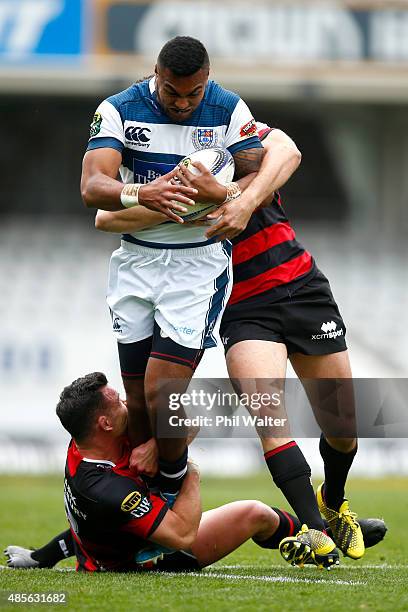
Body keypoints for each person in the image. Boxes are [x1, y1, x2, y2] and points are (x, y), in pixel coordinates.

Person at [93, 123, 365, 568]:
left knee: (343, 428)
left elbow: (287, 149)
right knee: (268, 414)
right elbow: (105, 218)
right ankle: (316, 528)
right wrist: (179, 200)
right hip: (242, 308)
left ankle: (334, 503)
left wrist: (234, 195)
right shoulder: (152, 169)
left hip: (303, 287)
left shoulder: (228, 129)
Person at [80, 36, 265, 504]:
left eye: (193, 93)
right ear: (154, 75)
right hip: (135, 260)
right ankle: (139, 501)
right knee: (138, 400)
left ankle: (168, 491)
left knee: (165, 391)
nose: (183, 103)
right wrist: (143, 194)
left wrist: (220, 193)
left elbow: (254, 175)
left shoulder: (229, 108)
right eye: (171, 92)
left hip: (197, 266)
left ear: (207, 80)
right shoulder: (119, 108)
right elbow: (92, 186)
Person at [4, 372, 387, 572]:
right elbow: (181, 534)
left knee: (251, 512)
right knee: (253, 513)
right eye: (117, 401)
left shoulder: (85, 446)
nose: (126, 401)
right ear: (104, 423)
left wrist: (41, 556)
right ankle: (322, 538)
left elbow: (191, 421)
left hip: (115, 539)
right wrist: (190, 472)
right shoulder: (105, 488)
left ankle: (317, 530)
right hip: (142, 560)